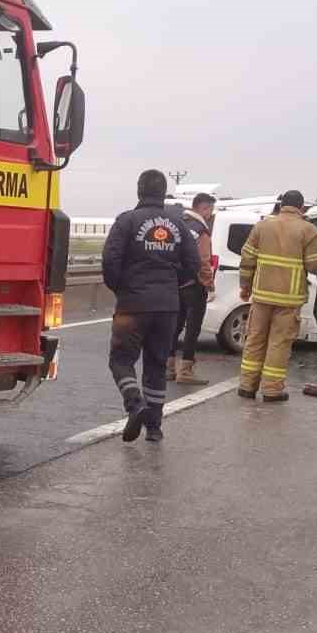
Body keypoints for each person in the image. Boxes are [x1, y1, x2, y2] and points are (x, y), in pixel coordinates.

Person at [102, 170, 199, 442]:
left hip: (132, 304)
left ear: (139, 190)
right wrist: (172, 285)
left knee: (121, 359)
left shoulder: (127, 221)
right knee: (157, 364)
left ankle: (135, 404)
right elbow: (193, 264)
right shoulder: (179, 224)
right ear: (163, 191)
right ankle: (154, 428)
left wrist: (122, 288)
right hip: (168, 307)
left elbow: (110, 260)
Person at [236, 190, 317, 403]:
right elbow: (315, 265)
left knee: (255, 339)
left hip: (262, 295)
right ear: (301, 208)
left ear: (281, 205)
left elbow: (247, 258)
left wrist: (245, 286)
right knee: (279, 343)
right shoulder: (309, 230)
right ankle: (272, 390)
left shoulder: (262, 226)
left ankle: (246, 386)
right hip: (289, 297)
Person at [168, 193, 216, 386]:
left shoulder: (178, 224)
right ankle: (186, 370)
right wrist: (209, 284)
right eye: (210, 210)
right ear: (203, 208)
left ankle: (168, 367)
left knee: (175, 326)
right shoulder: (201, 230)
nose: (211, 214)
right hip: (195, 285)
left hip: (176, 282)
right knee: (192, 328)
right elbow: (204, 261)